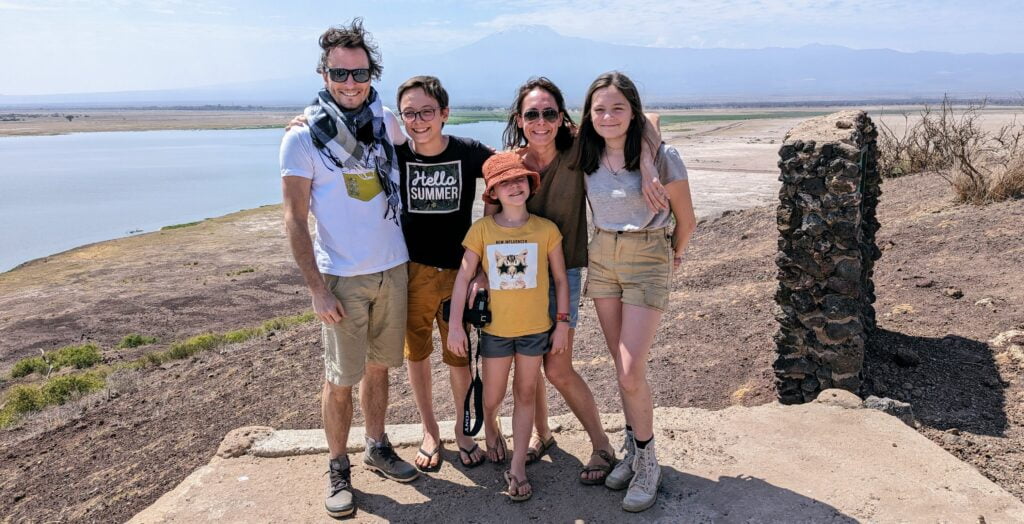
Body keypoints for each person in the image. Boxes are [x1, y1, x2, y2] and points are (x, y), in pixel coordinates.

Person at [500, 77, 669, 485]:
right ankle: (543, 435)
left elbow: (648, 117)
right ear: (519, 119)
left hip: (566, 270)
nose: (541, 121)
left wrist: (647, 164)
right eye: (532, 114)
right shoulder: (510, 162)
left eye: (549, 113)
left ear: (562, 117)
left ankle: (602, 444)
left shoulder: (578, 148)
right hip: (519, 274)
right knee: (528, 360)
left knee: (556, 366)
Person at [279, 19, 417, 519]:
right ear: (324, 73)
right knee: (340, 378)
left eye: (359, 73)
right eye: (340, 73)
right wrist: (317, 290)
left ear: (371, 73)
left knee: (379, 368)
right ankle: (338, 467)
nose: (350, 83)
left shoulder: (385, 119)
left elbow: (429, 140)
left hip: (393, 269)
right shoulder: (302, 139)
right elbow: (294, 221)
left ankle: (377, 445)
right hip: (341, 276)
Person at [577, 71, 696, 513]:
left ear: (633, 110)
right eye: (599, 108)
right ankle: (633, 447)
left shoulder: (665, 157)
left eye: (618, 107)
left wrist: (674, 257)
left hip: (648, 256)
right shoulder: (585, 151)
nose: (608, 116)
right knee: (619, 364)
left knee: (630, 369)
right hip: (603, 255)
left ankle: (648, 461)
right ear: (588, 115)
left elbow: (688, 220)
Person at [447, 152, 570, 502]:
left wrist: (561, 323)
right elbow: (463, 279)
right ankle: (491, 430)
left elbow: (561, 280)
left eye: (520, 180)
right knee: (492, 396)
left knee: (526, 394)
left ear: (530, 186)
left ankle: (517, 465)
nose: (514, 187)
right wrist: (456, 325)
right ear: (493, 193)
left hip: (534, 330)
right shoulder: (482, 230)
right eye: (504, 183)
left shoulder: (546, 230)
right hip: (496, 332)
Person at [392, 75, 492, 472]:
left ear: (445, 114)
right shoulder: (395, 155)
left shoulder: (468, 152)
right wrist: (307, 122)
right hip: (412, 272)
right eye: (410, 113)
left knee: (459, 354)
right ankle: (429, 430)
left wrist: (486, 257)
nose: (419, 121)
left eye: (427, 112)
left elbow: (510, 172)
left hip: (459, 273)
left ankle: (463, 431)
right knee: (417, 355)